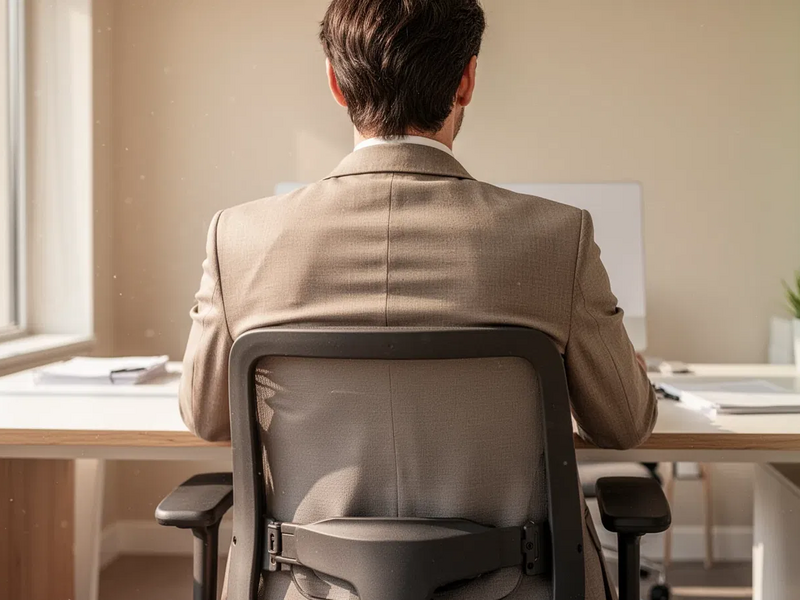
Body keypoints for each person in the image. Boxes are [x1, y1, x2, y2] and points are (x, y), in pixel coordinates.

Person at [180, 1, 657, 598]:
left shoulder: (240, 239)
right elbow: (623, 424)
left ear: (334, 81)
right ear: (467, 80)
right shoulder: (558, 238)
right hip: (522, 588)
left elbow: (206, 417)